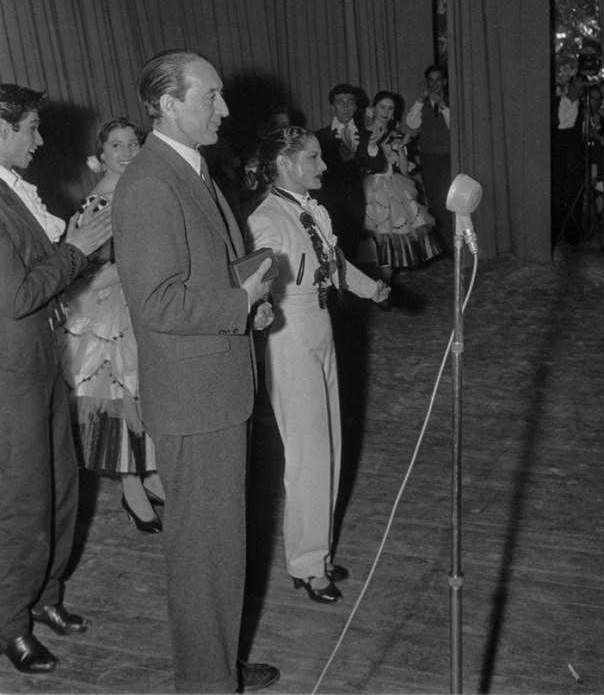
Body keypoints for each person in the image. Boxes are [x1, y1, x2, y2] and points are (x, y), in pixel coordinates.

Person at [112, 50, 279, 694]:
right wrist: (237, 305)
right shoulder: (153, 183)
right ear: (169, 105)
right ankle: (207, 684)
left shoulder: (192, 170)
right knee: (203, 553)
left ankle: (214, 665)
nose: (226, 107)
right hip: (195, 397)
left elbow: (203, 277)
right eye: (211, 97)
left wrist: (247, 302)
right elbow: (156, 302)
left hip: (215, 385)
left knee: (219, 547)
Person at [245, 127, 389, 604]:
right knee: (307, 455)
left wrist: (373, 289)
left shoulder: (308, 208)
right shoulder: (267, 217)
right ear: (285, 164)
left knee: (329, 447)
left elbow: (333, 261)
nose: (323, 166)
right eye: (313, 158)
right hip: (290, 333)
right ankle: (307, 565)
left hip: (321, 325)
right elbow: (257, 274)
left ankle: (317, 553)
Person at [0, 83, 112, 675]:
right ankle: (10, 623)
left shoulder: (13, 191)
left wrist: (74, 244)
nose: (40, 140)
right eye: (31, 129)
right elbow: (16, 294)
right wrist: (75, 250)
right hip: (9, 377)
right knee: (22, 502)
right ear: (1, 129)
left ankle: (45, 597)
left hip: (40, 363)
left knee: (61, 487)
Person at [58, 117, 165, 534]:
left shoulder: (140, 190)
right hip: (109, 313)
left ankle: (150, 472)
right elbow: (89, 276)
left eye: (133, 143)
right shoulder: (98, 204)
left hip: (142, 300)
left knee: (147, 394)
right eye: (116, 145)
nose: (126, 151)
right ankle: (131, 484)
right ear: (100, 156)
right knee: (122, 396)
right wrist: (142, 266)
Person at [358, 92, 442, 292]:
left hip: (394, 190)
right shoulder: (363, 134)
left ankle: (383, 289)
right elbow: (364, 166)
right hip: (372, 191)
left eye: (390, 108)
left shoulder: (396, 134)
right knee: (373, 248)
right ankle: (375, 289)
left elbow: (404, 170)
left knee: (390, 248)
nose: (386, 112)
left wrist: (401, 149)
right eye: (382, 107)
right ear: (374, 109)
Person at [315, 84, 384, 261]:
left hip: (355, 204)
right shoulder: (318, 137)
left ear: (355, 106)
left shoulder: (367, 136)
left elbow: (378, 166)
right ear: (332, 107)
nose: (345, 107)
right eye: (340, 102)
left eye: (350, 102)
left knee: (351, 253)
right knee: (327, 253)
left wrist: (371, 146)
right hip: (326, 202)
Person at [405, 64, 453, 251]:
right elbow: (411, 122)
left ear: (444, 81)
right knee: (434, 201)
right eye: (431, 80)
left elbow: (454, 128)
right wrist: (419, 99)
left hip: (448, 157)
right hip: (429, 158)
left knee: (448, 199)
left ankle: (452, 244)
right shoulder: (422, 104)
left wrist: (443, 107)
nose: (435, 84)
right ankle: (442, 246)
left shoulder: (449, 102)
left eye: (438, 79)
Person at [551, 74, 585, 245]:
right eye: (575, 87)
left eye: (580, 89)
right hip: (557, 154)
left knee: (573, 194)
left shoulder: (583, 109)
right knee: (556, 193)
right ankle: (554, 232)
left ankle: (572, 234)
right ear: (569, 85)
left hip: (573, 156)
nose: (576, 91)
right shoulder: (554, 103)